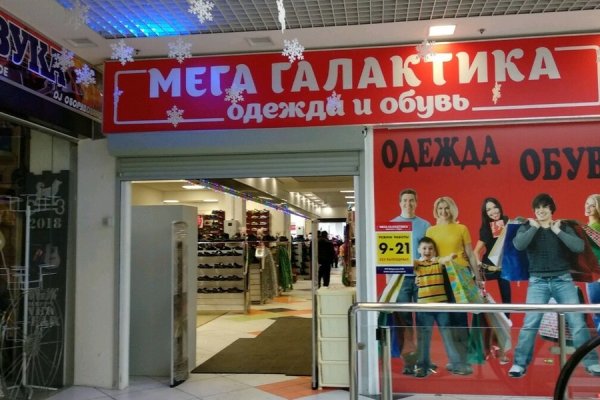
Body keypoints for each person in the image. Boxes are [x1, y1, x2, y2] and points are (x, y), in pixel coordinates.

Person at [508, 193, 600, 378]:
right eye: (537, 208)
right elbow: (519, 245)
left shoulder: (563, 226)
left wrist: (558, 231)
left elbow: (578, 247)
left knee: (577, 323)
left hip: (563, 280)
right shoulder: (527, 227)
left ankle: (592, 363)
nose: (540, 211)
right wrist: (534, 228)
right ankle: (519, 364)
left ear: (551, 209)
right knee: (530, 324)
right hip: (537, 282)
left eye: (544, 207)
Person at [426, 196, 481, 376]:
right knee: (446, 319)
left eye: (446, 208)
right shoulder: (431, 231)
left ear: (452, 209)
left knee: (460, 318)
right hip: (440, 276)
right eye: (440, 208)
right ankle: (455, 360)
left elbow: (470, 254)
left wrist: (478, 277)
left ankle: (464, 361)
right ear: (436, 210)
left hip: (460, 276)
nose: (443, 211)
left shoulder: (461, 228)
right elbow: (428, 256)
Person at [384, 188, 431, 374]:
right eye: (405, 200)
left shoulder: (425, 225)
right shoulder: (391, 225)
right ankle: (409, 362)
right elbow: (387, 258)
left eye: (411, 200)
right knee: (404, 321)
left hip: (421, 279)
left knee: (423, 320)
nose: (408, 203)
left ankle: (424, 361)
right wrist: (389, 284)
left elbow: (430, 253)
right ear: (400, 203)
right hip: (401, 280)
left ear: (416, 202)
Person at [413, 236, 461, 378]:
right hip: (424, 306)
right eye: (424, 248)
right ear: (419, 250)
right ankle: (422, 366)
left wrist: (450, 257)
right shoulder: (417, 264)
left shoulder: (438, 261)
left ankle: (455, 364)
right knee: (424, 336)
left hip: (441, 304)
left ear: (434, 251)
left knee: (447, 333)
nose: (427, 251)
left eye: (430, 248)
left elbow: (445, 260)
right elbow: (408, 263)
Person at [473, 197, 512, 308]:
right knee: (487, 302)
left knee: (507, 303)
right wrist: (478, 264)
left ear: (499, 207)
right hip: (489, 269)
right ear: (485, 213)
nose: (493, 211)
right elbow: (476, 251)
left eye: (495, 207)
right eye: (488, 210)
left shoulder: (505, 220)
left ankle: (506, 319)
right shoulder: (486, 228)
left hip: (503, 268)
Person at [583, 194, 600, 332]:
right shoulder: (588, 227)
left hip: (596, 274)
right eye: (587, 204)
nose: (588, 207)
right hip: (590, 273)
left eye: (592, 205)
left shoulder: (595, 227)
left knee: (597, 311)